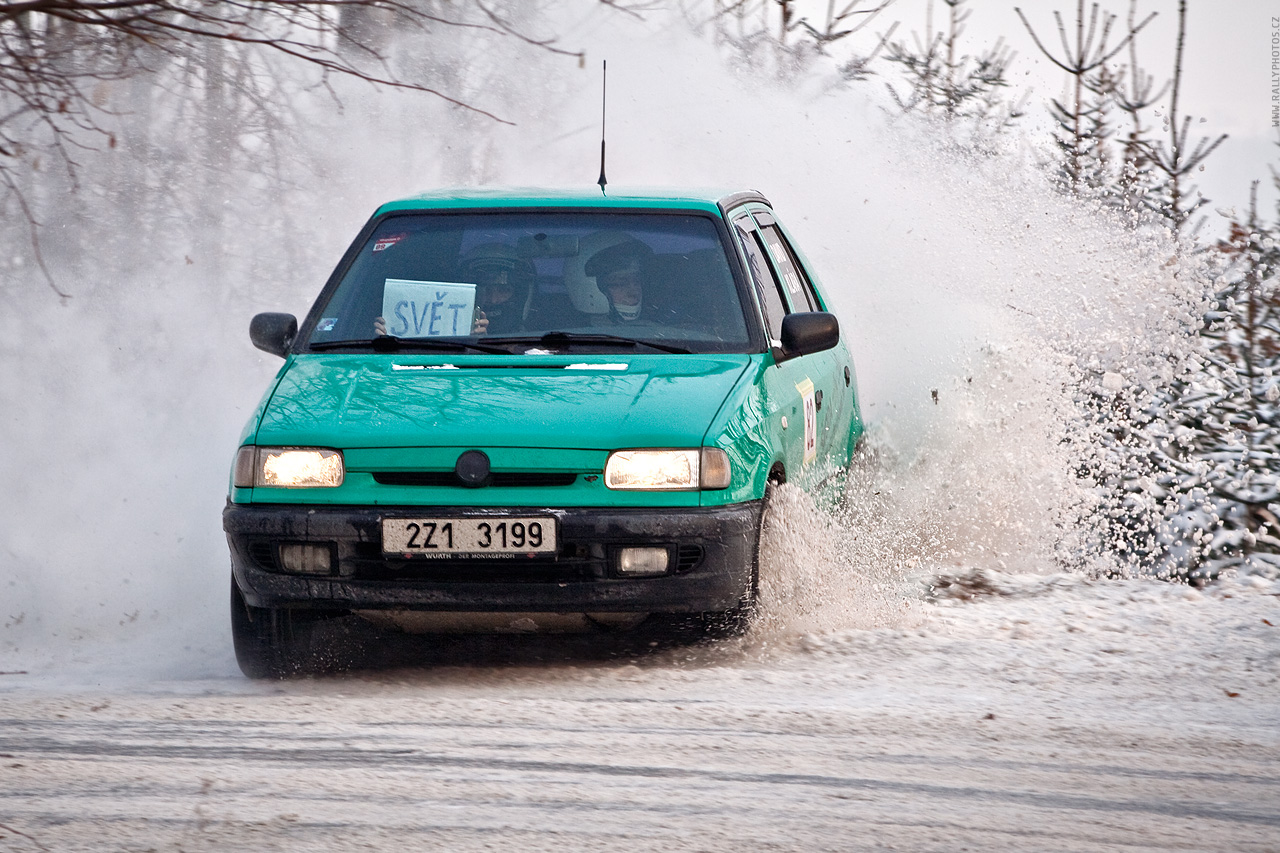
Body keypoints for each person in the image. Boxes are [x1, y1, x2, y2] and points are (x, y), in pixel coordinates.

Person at [374, 242, 532, 336]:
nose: (492, 299)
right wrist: (389, 340)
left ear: (520, 295)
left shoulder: (536, 345)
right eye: (483, 290)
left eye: (503, 290)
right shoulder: (439, 333)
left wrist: (483, 345)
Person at [584, 238, 653, 324]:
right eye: (621, 284)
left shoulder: (661, 331)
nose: (633, 293)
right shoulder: (572, 335)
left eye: (637, 281)